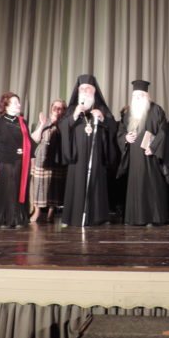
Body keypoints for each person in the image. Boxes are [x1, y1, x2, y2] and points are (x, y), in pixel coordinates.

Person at [58, 74, 117, 227]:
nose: (85, 91)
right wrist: (75, 115)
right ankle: (74, 217)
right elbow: (62, 126)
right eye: (82, 89)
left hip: (96, 155)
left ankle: (98, 217)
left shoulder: (101, 108)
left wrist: (102, 118)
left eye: (88, 88)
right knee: (76, 183)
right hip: (77, 156)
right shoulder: (72, 108)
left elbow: (113, 127)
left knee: (96, 182)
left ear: (94, 90)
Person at [117, 80, 169, 226]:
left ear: (147, 96)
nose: (137, 98)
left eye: (140, 95)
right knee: (136, 185)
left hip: (150, 156)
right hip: (135, 157)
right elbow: (121, 131)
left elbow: (163, 132)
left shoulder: (157, 110)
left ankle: (153, 218)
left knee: (151, 185)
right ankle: (135, 218)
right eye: (134, 96)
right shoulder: (129, 113)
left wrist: (153, 147)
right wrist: (125, 138)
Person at [0, 92, 32, 228]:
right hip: (4, 162)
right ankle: (5, 219)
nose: (19, 105)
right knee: (7, 190)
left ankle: (17, 218)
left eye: (18, 102)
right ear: (6, 106)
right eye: (15, 103)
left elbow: (28, 141)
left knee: (18, 190)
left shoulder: (22, 122)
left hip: (20, 162)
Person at [29, 99, 68, 223]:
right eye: (54, 107)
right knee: (39, 184)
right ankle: (37, 211)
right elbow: (35, 138)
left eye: (60, 108)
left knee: (55, 184)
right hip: (42, 156)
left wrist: (57, 124)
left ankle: (51, 212)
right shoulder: (45, 121)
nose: (56, 110)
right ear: (51, 108)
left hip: (57, 156)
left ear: (64, 110)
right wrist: (42, 124)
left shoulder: (65, 123)